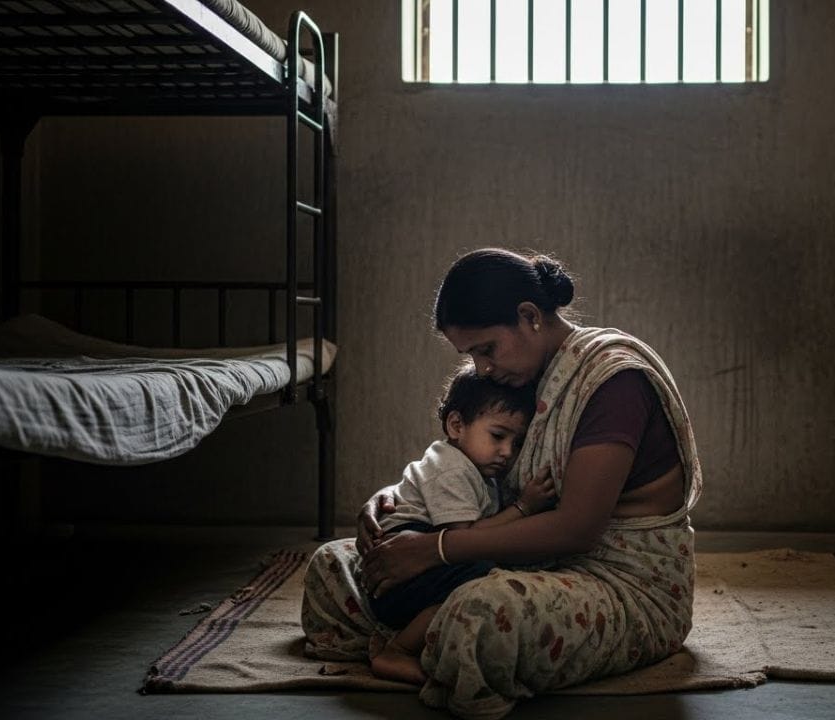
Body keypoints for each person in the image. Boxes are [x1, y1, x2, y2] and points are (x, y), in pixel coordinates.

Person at [301, 248, 703, 719]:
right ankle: (427, 642)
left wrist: (433, 550)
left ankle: (428, 637)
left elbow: (578, 530)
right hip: (503, 558)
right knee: (334, 566)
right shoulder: (519, 375)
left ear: (530, 316)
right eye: (471, 354)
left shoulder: (612, 382)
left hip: (616, 583)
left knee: (485, 615)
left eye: (486, 348)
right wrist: (390, 502)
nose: (482, 367)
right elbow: (456, 463)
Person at [365, 364, 557, 684]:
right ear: (456, 425)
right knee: (478, 570)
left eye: (518, 442)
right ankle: (396, 651)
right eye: (497, 435)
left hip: (421, 563)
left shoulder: (478, 469)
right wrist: (525, 506)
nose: (507, 452)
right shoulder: (450, 468)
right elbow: (462, 538)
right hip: (397, 573)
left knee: (491, 567)